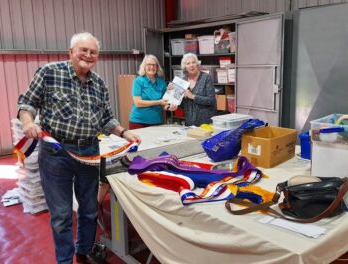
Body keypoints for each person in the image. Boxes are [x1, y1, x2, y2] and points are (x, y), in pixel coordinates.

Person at [17, 32, 140, 264]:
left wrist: (124, 133)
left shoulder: (99, 84)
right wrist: (28, 122)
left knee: (90, 209)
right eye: (83, 50)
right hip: (57, 155)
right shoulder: (49, 73)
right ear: (70, 52)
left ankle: (84, 251)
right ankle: (64, 260)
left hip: (90, 153)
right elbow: (28, 103)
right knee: (62, 215)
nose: (88, 55)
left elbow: (106, 119)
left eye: (93, 52)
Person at [168, 53, 216, 126]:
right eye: (188, 63)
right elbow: (181, 105)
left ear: (197, 64)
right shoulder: (182, 81)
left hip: (205, 123)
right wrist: (172, 93)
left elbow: (211, 100)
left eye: (193, 62)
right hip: (189, 123)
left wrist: (193, 96)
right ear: (185, 67)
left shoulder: (206, 78)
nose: (191, 65)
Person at [129, 54, 169, 129]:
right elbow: (138, 103)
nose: (151, 67)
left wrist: (169, 107)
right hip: (138, 122)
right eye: (149, 65)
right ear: (144, 67)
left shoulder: (162, 83)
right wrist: (158, 102)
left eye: (154, 65)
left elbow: (164, 103)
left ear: (157, 67)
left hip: (156, 122)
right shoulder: (138, 81)